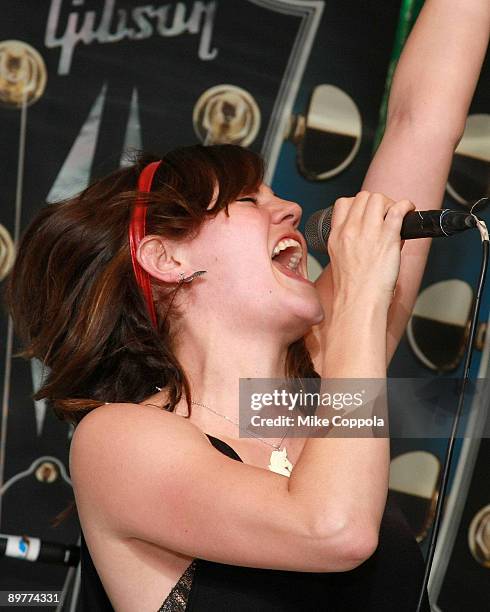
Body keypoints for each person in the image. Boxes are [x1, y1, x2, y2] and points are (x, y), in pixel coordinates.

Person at [5, 1, 489, 611]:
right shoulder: (118, 441)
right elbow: (334, 529)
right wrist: (364, 299)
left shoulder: (323, 378)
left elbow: (422, 121)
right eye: (248, 199)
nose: (287, 208)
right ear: (165, 258)